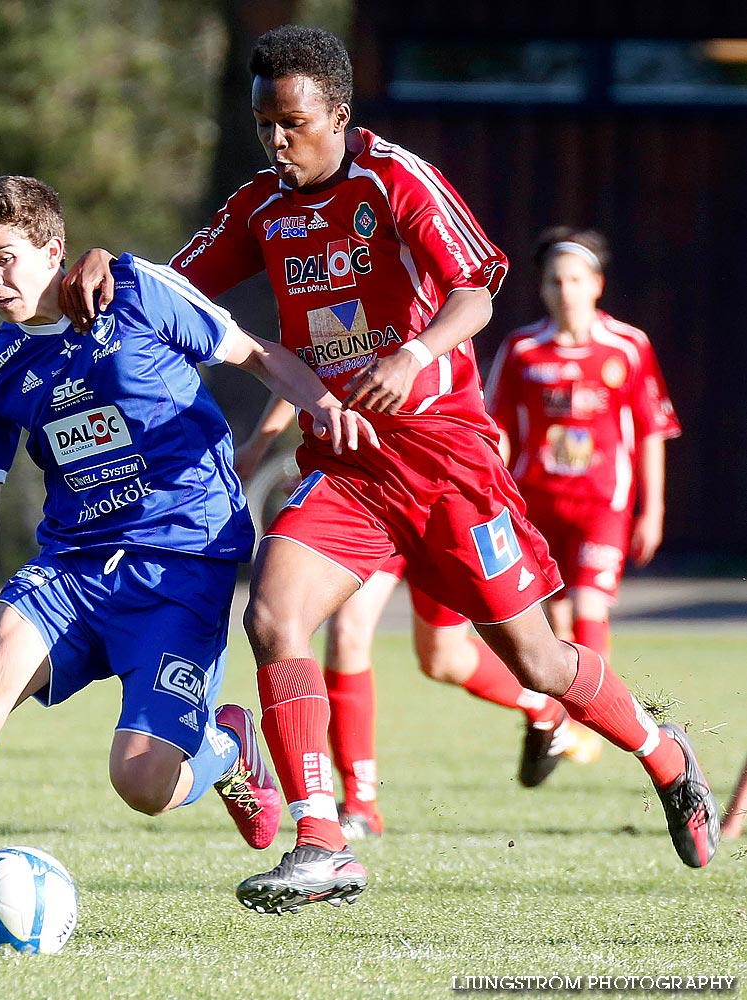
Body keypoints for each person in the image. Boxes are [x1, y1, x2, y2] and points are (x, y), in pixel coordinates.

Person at [62, 24, 718, 913]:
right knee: (272, 614)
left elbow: (477, 286)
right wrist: (110, 261)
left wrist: (413, 355)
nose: (276, 141)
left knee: (534, 662)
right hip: (348, 468)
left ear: (335, 111)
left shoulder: (394, 176)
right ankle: (322, 839)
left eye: (291, 122)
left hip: (446, 461)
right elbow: (177, 287)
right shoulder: (263, 205)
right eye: (264, 126)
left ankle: (663, 752)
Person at [0, 175, 379, 947]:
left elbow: (257, 354)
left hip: (180, 564)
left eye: (3, 259)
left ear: (52, 248)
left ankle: (227, 743)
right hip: (71, 567)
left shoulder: (136, 291)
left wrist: (320, 406)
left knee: (141, 784)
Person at [234, 397, 602, 840]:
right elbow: (295, 360)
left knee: (442, 658)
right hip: (371, 494)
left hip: (442, 494)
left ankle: (544, 707)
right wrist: (261, 441)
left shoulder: (433, 333)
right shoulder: (342, 331)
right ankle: (360, 803)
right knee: (348, 633)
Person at [486, 228, 680, 668]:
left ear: (597, 284)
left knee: (590, 607)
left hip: (602, 503)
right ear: (542, 288)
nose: (565, 291)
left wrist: (653, 510)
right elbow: (495, 429)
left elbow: (652, 431)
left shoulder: (628, 346)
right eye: (555, 281)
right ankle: (562, 724)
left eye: (575, 280)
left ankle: (588, 728)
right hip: (536, 501)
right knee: (556, 621)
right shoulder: (522, 349)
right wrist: (493, 497)